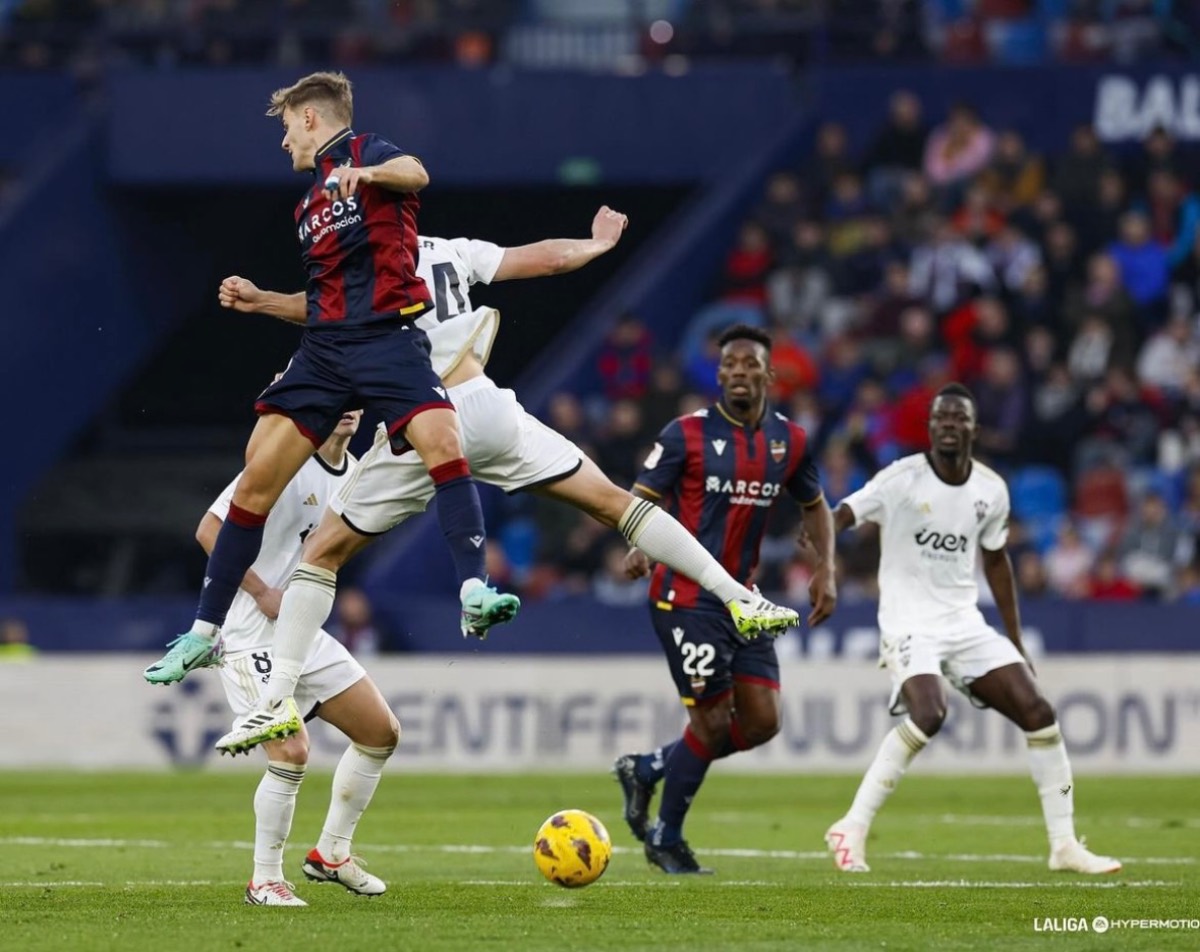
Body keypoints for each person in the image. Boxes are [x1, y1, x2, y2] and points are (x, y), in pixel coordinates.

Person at [204, 209, 802, 755]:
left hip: (424, 416)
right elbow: (541, 256)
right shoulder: (452, 251)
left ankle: (277, 696)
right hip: (488, 408)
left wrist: (263, 303)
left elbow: (323, 313)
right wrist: (594, 245)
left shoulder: (366, 268)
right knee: (612, 503)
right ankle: (738, 597)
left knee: (323, 552)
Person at [144, 71, 518, 692]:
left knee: (443, 444)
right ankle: (204, 634)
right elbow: (324, 301)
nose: (284, 140)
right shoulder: (308, 203)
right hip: (324, 350)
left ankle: (474, 588)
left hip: (388, 340)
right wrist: (264, 301)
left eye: (287, 125)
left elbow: (418, 174)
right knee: (257, 475)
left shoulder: (369, 152)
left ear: (311, 118)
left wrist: (367, 175)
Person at [823, 383, 1121, 875]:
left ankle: (1064, 844)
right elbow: (842, 514)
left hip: (963, 621)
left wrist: (1016, 641)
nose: (948, 425)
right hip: (909, 621)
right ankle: (851, 826)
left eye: (959, 418)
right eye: (941, 417)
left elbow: (997, 561)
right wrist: (820, 551)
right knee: (930, 712)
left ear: (973, 429)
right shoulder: (901, 479)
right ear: (930, 427)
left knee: (1039, 711)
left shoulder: (991, 490)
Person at [613, 323, 837, 875]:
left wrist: (826, 568)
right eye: (729, 366)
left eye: (749, 364)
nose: (738, 372)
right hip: (684, 598)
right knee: (712, 726)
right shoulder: (684, 434)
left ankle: (649, 766)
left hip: (745, 601)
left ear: (770, 373)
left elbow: (816, 504)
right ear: (718, 376)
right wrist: (638, 545)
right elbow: (638, 499)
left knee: (763, 722)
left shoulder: (790, 441)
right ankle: (666, 837)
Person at [200, 409, 401, 906]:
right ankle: (264, 879)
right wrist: (263, 591)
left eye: (355, 400)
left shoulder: (355, 472)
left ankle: (332, 853)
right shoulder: (284, 457)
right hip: (250, 634)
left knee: (381, 734)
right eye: (340, 398)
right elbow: (209, 530)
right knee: (290, 752)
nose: (349, 409)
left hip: (303, 633)